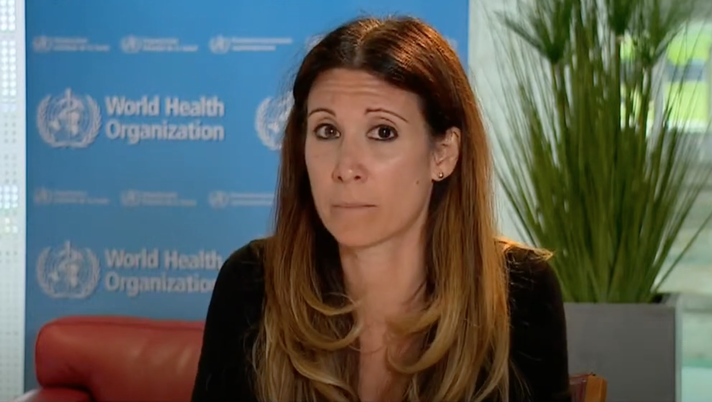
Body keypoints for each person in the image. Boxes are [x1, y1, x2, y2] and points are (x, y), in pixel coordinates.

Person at [190, 15, 571, 402]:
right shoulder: (253, 283)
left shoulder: (519, 292)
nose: (346, 167)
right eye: (327, 131)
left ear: (443, 153)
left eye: (383, 132)